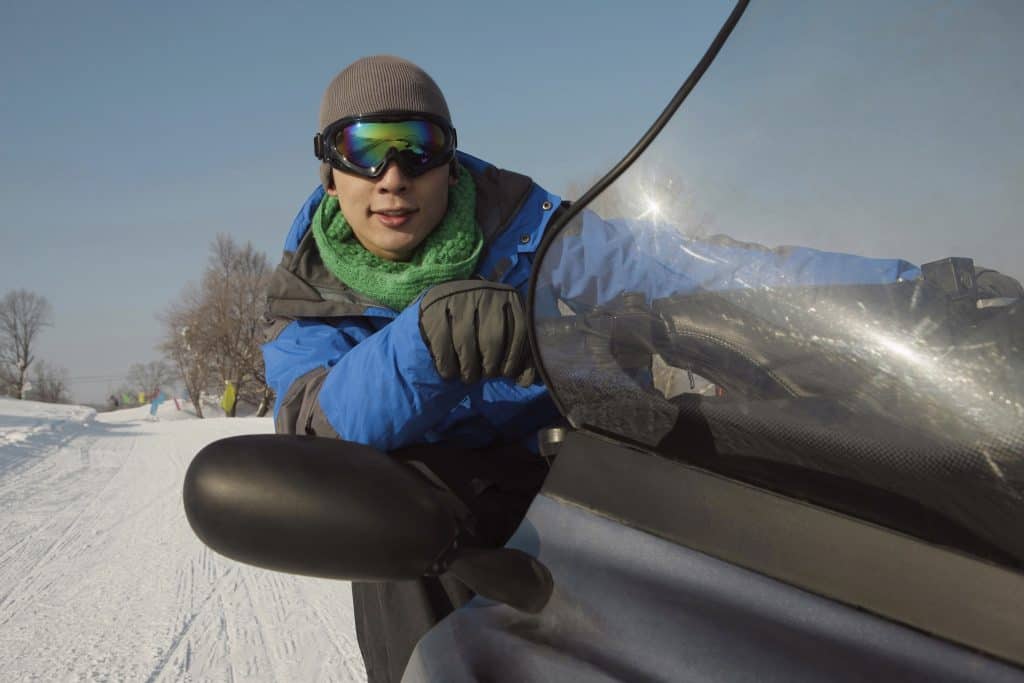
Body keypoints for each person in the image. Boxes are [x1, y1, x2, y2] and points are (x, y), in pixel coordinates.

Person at [262, 56, 1021, 681]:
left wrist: (907, 294)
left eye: (416, 146)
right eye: (365, 150)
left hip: (586, 502)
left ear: (449, 157)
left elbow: (684, 267)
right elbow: (312, 428)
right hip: (437, 563)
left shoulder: (527, 231)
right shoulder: (307, 300)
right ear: (331, 171)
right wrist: (423, 344)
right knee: (405, 498)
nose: (392, 175)